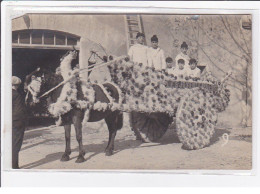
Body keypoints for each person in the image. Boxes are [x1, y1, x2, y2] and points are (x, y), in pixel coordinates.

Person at [12, 76, 28, 169]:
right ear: (17, 85)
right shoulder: (17, 95)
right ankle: (14, 166)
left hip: (8, 122)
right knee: (16, 144)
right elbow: (19, 111)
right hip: (17, 122)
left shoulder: (5, 93)